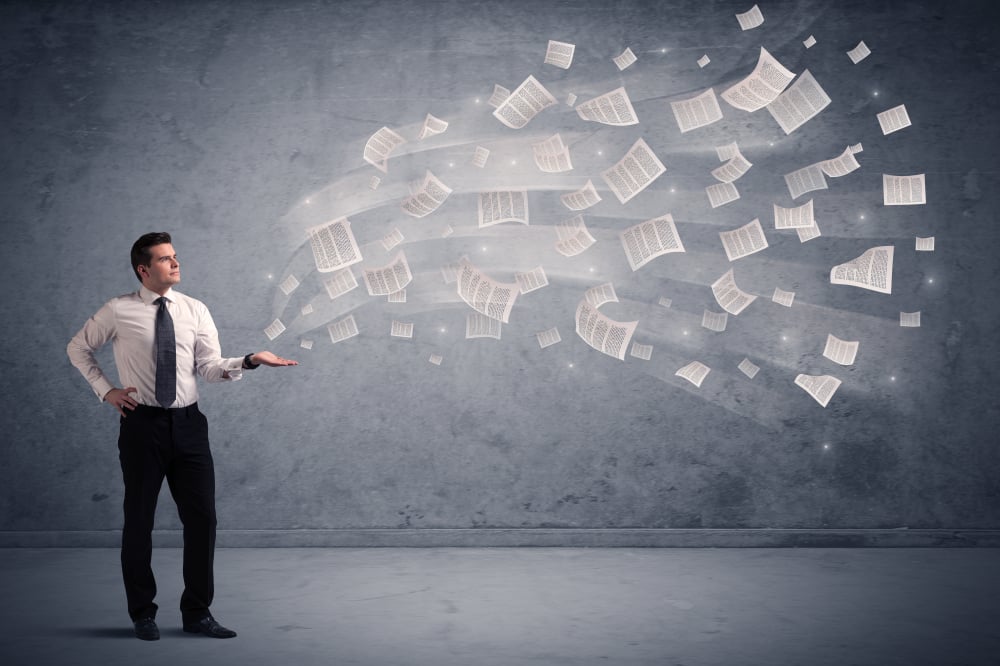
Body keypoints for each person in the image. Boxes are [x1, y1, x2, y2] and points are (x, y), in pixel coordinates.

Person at [67, 232, 297, 641]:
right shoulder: (118, 310)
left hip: (189, 426)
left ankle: (198, 613)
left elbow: (209, 367)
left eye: (174, 256)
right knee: (139, 521)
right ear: (144, 269)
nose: (175, 263)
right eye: (164, 259)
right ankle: (142, 613)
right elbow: (78, 348)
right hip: (142, 426)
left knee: (203, 519)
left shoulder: (194, 309)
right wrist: (107, 391)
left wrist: (250, 360)